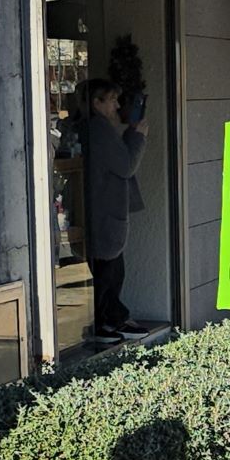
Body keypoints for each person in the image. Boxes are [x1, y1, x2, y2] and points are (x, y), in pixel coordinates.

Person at [78, 79, 150, 344]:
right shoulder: (98, 129)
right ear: (96, 103)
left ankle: (111, 319)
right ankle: (106, 321)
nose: (117, 105)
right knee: (109, 270)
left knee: (110, 269)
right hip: (105, 212)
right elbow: (125, 165)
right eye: (111, 100)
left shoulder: (95, 128)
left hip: (103, 210)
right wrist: (137, 136)